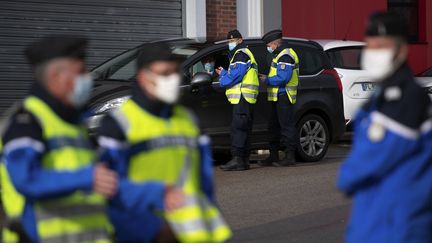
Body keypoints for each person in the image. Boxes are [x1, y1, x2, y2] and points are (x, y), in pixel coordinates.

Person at [97, 42, 231, 242]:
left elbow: (203, 182)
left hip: (191, 232)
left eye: (173, 73)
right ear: (143, 77)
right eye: (163, 74)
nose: (171, 80)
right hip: (140, 230)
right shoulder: (119, 123)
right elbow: (110, 186)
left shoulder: (188, 120)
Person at [0, 35, 117, 242]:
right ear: (56, 77)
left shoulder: (72, 123)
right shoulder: (26, 122)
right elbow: (26, 179)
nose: (88, 78)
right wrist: (86, 178)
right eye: (81, 72)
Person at [338, 12, 432, 243]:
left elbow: (368, 161)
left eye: (381, 47)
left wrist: (346, 175)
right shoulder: (380, 98)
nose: (373, 54)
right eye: (370, 47)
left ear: (400, 51)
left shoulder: (405, 99)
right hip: (376, 221)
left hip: (399, 225)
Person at [216, 29, 259, 171]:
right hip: (246, 97)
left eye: (232, 41)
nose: (230, 43)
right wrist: (224, 72)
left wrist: (222, 80)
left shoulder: (241, 54)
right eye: (229, 41)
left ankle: (237, 160)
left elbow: (236, 76)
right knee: (244, 128)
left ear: (240, 40)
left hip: (242, 96)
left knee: (238, 129)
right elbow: (237, 73)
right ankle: (244, 160)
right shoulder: (242, 54)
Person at [258, 29, 299, 167]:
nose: (268, 48)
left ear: (275, 43)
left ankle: (290, 156)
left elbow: (284, 78)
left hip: (284, 95)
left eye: (269, 45)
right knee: (273, 127)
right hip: (277, 96)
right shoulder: (279, 54)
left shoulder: (285, 55)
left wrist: (267, 80)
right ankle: (273, 155)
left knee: (286, 127)